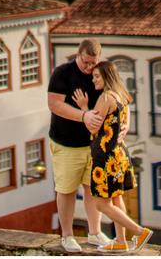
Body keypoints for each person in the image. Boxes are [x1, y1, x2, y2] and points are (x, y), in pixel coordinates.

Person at [73, 61, 152, 254]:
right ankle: (120, 242)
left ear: (107, 76)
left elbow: (93, 127)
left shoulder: (106, 97)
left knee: (101, 204)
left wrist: (84, 108)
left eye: (97, 76)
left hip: (105, 156)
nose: (93, 80)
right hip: (119, 153)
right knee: (117, 199)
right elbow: (124, 121)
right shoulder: (122, 96)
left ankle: (139, 232)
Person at [47, 39, 118, 253]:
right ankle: (67, 235)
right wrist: (83, 116)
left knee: (93, 188)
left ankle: (95, 232)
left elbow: (119, 96)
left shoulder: (102, 73)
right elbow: (54, 104)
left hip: (95, 144)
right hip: (67, 144)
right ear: (77, 55)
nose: (89, 68)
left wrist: (124, 126)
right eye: (86, 62)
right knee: (67, 189)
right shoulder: (62, 73)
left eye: (93, 63)